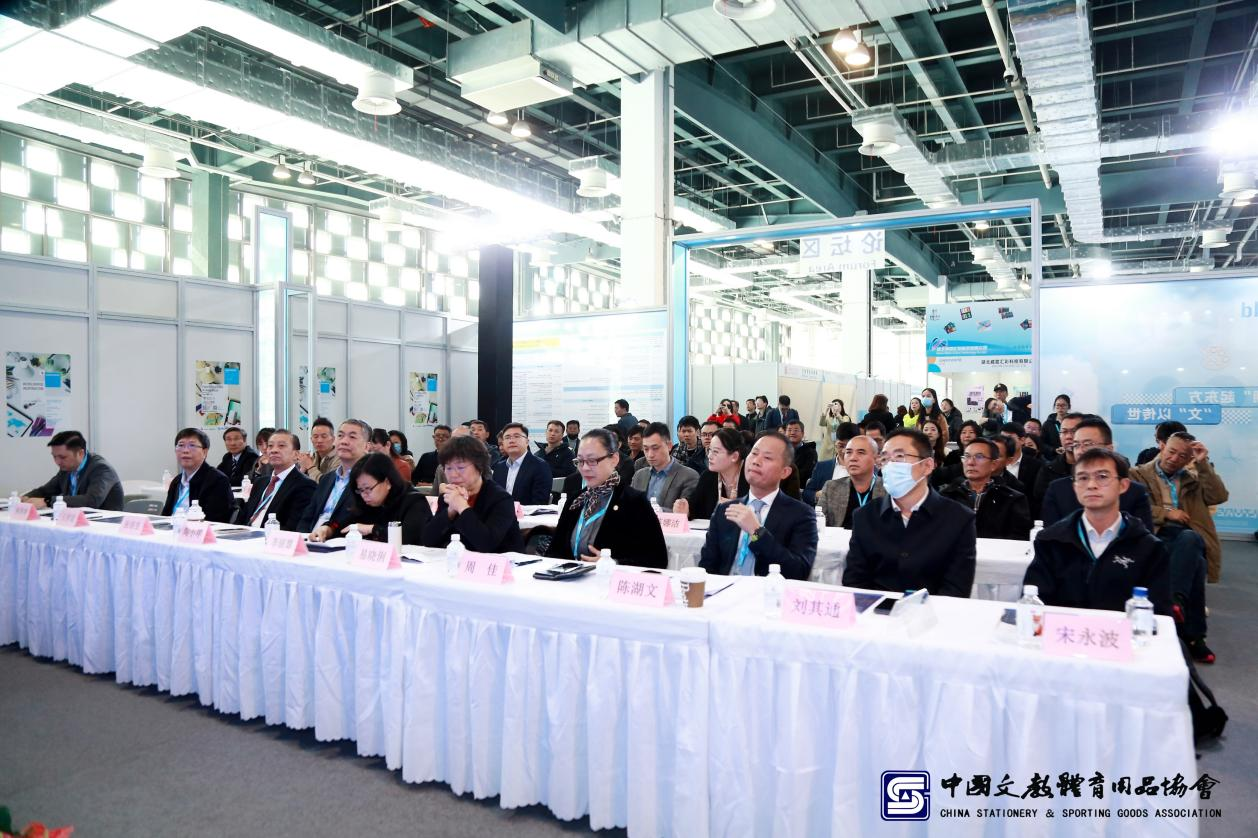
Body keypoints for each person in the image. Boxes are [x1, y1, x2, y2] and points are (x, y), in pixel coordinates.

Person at [1023, 448, 1171, 618]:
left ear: (1123, 485)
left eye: (1102, 477)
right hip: (1064, 632)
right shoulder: (1051, 541)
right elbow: (1034, 604)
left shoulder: (1149, 548)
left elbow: (1159, 614)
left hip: (1123, 633)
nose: (1091, 485)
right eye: (1083, 478)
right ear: (1075, 487)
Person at [842, 428, 976, 597]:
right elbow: (855, 581)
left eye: (899, 456)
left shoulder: (959, 519)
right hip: (877, 609)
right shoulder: (865, 516)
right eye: (885, 459)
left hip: (934, 610)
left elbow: (956, 588)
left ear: (927, 465)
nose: (890, 465)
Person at [1130, 431, 1227, 662]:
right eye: (1171, 451)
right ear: (1162, 447)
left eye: (1183, 456)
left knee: (1191, 540)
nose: (1174, 459)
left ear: (1189, 458)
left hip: (1186, 535)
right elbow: (1130, 507)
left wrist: (1203, 463)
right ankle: (1194, 638)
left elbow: (1219, 496)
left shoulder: (1193, 479)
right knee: (1196, 563)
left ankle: (1174, 603)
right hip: (1153, 534)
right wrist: (1166, 513)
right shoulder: (1137, 474)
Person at [698, 433, 817, 580]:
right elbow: (707, 567)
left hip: (770, 592)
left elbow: (799, 571)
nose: (756, 461)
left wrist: (756, 531)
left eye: (767, 457)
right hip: (724, 590)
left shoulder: (801, 514)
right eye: (754, 453)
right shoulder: (725, 510)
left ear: (784, 472)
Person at [546, 429, 667, 568]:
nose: (584, 468)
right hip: (570, 578)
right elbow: (554, 551)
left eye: (592, 461)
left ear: (614, 459)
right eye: (580, 461)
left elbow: (657, 559)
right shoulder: (576, 500)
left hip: (611, 579)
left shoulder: (634, 502)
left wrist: (614, 563)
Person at [1040, 416, 1153, 531]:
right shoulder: (1057, 489)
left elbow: (1143, 538)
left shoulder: (1135, 492)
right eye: (1076, 445)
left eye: (1088, 444)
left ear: (1109, 448)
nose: (1080, 451)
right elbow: (1050, 536)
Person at [422, 434, 523, 553]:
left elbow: (486, 544)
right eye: (448, 468)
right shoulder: (448, 497)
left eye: (460, 468)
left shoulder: (500, 499)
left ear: (479, 467)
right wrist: (450, 511)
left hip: (502, 561)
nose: (453, 475)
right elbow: (427, 541)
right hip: (459, 561)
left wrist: (462, 507)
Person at [317, 452, 432, 544]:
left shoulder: (414, 502)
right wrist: (329, 528)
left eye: (368, 488)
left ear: (387, 482)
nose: (364, 495)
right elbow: (342, 523)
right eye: (360, 490)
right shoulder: (366, 502)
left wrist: (372, 529)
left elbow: (408, 538)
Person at [940, 437, 1032, 540]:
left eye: (979, 457)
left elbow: (1019, 539)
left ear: (993, 464)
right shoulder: (947, 496)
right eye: (967, 456)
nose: (970, 462)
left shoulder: (1013, 499)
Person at [21, 430, 123, 511]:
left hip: (105, 525)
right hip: (75, 521)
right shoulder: (67, 468)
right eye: (54, 456)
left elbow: (91, 500)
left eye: (62, 457)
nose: (57, 462)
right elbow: (45, 491)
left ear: (80, 453)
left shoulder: (101, 469)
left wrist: (47, 501)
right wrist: (25, 497)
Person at [302, 418, 371, 537]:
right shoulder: (327, 479)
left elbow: (358, 519)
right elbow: (307, 517)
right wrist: (302, 537)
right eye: (340, 436)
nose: (344, 441)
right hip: (312, 538)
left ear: (367, 446)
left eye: (352, 437)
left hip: (342, 540)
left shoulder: (370, 481)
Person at [240, 428, 316, 530]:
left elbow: (293, 528)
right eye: (270, 446)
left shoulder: (305, 485)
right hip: (244, 534)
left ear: (296, 454)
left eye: (281, 446)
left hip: (269, 537)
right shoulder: (260, 482)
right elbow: (243, 517)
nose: (274, 450)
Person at [674, 427, 750, 521]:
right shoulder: (708, 476)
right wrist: (685, 509)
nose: (709, 456)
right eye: (709, 450)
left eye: (716, 452)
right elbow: (695, 506)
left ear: (734, 456)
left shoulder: (752, 476)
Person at [160, 428, 234, 522]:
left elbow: (215, 520)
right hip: (173, 528)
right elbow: (165, 515)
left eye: (192, 445)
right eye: (181, 445)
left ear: (204, 452)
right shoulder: (176, 481)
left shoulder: (217, 480)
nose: (185, 451)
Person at [817, 434, 884, 529]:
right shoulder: (831, 487)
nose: (853, 458)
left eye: (861, 453)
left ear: (876, 458)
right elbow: (819, 526)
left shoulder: (888, 489)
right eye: (848, 452)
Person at [631, 422, 700, 509]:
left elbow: (686, 511)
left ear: (669, 446)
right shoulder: (639, 475)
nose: (650, 454)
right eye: (646, 449)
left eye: (655, 448)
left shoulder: (689, 476)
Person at [491, 422, 553, 505]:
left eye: (516, 436)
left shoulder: (540, 466)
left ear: (527, 442)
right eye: (507, 437)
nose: (511, 441)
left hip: (527, 513)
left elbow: (539, 503)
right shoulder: (499, 467)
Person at [803, 421, 860, 506]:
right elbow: (807, 494)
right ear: (835, 443)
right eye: (841, 446)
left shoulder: (865, 468)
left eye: (849, 447)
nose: (844, 451)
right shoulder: (822, 467)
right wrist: (817, 495)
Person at [999, 423, 1042, 512]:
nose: (1005, 442)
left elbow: (1036, 497)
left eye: (1009, 438)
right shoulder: (994, 463)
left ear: (1022, 440)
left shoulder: (1035, 465)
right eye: (1002, 438)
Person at [297, 417, 338, 482]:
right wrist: (302, 469)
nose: (319, 440)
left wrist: (310, 466)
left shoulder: (340, 459)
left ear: (333, 439)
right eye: (315, 437)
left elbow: (328, 484)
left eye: (324, 436)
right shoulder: (312, 458)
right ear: (311, 439)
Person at [782, 419, 817, 485]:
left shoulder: (810, 453)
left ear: (803, 434)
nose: (792, 433)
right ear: (785, 433)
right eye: (789, 430)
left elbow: (806, 474)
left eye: (796, 430)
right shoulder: (780, 450)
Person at [817, 398, 851, 463]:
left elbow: (845, 425)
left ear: (841, 407)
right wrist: (826, 410)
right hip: (828, 445)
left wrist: (837, 414)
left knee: (838, 463)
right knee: (824, 463)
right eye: (833, 405)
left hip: (840, 445)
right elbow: (821, 423)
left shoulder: (845, 417)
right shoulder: (829, 419)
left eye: (837, 405)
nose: (835, 407)